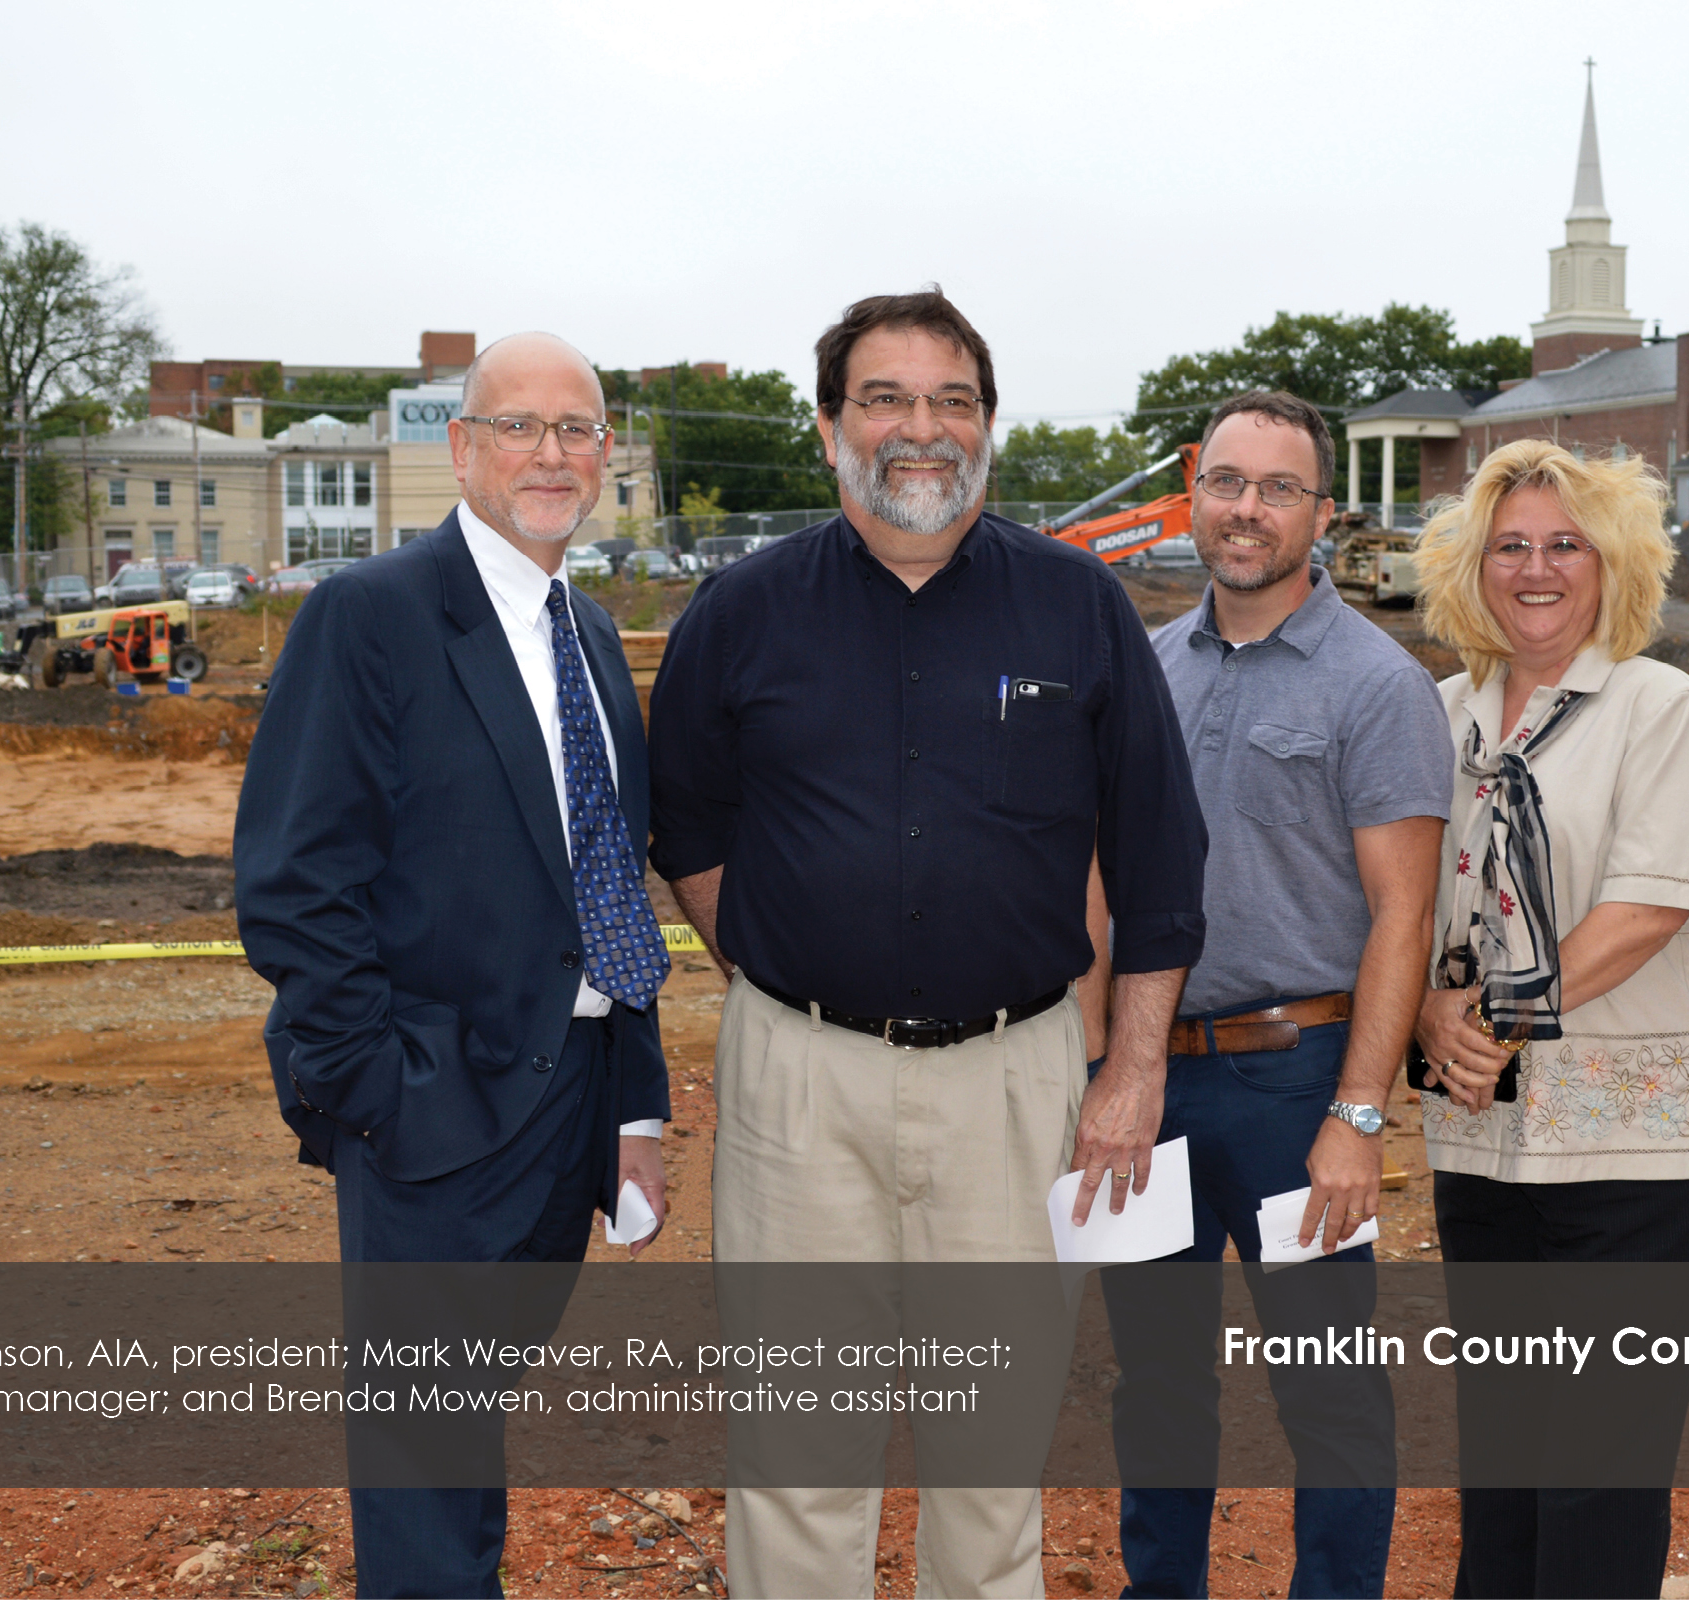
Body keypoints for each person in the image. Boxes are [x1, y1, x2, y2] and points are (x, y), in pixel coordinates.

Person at [647, 287, 1208, 1599]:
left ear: (989, 426)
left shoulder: (1078, 610)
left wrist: (1127, 1075)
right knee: (795, 1461)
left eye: (951, 401)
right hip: (796, 1084)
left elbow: (1159, 863)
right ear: (830, 424)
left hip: (1015, 1084)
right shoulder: (739, 616)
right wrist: (791, 982)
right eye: (886, 399)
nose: (921, 430)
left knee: (991, 1460)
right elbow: (688, 830)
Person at [234, 331, 673, 1598]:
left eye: (577, 429)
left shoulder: (589, 633)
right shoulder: (369, 617)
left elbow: (608, 874)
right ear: (461, 450)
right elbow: (295, 881)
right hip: (432, 1110)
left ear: (605, 456)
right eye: (520, 426)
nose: (552, 453)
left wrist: (633, 1103)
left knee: (468, 1418)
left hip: (569, 1099)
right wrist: (376, 1085)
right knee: (425, 1458)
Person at [1100, 391, 1446, 1598]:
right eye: (1230, 482)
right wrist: (1105, 1067)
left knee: (1327, 1388)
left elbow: (1405, 914)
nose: (1249, 509)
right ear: (1195, 491)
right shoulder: (1144, 670)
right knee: (1155, 1385)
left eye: (1278, 488)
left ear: (1322, 513)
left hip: (1294, 1083)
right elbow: (1107, 884)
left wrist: (1357, 1118)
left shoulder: (1377, 684)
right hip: (1152, 1079)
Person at [1406, 438, 1689, 1599]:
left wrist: (1488, 1016)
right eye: (1511, 546)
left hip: (1635, 1148)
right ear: (1472, 565)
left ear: (1612, 566)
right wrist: (1421, 1008)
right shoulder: (1438, 716)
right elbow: (1401, 902)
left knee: (1597, 1465)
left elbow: (1647, 907)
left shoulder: (1661, 707)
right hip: (1488, 1138)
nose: (1537, 568)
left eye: (1566, 545)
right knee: (1502, 1451)